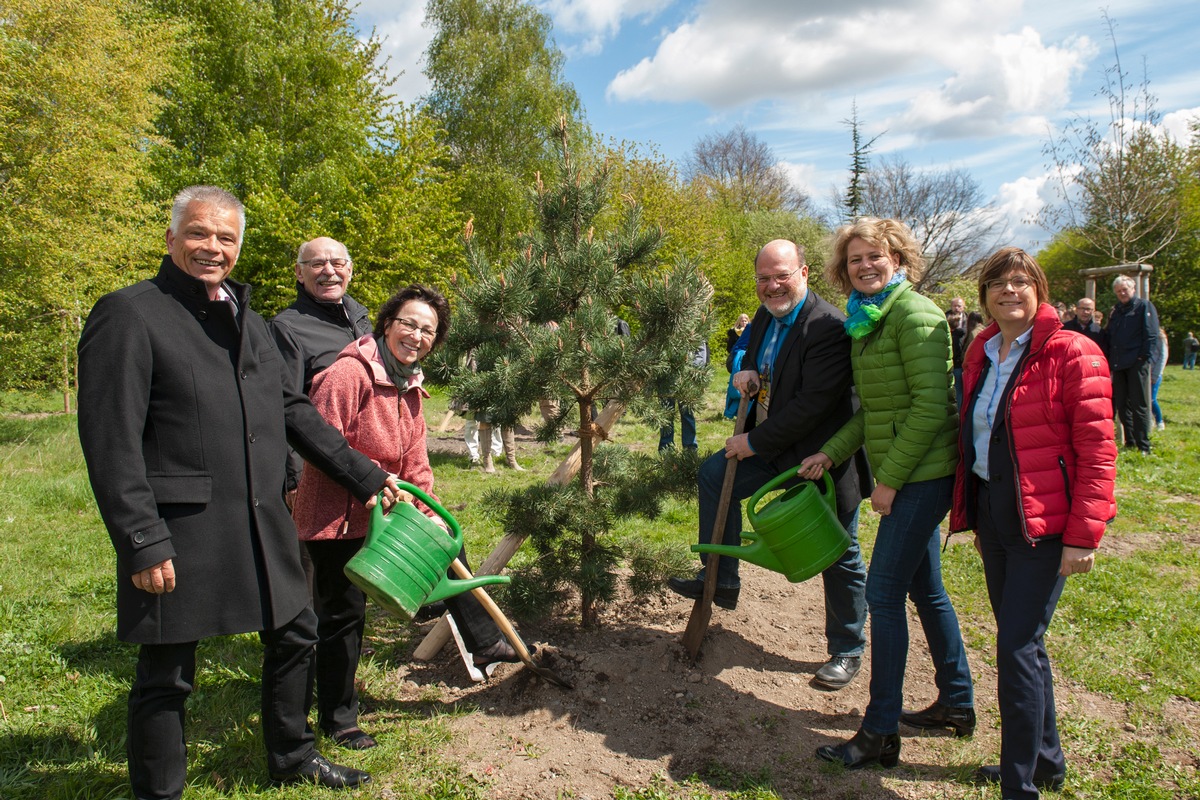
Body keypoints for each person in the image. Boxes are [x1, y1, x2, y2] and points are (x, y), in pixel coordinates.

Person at [77, 186, 401, 797]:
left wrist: (369, 477)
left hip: (261, 516)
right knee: (166, 674)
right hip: (181, 525)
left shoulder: (249, 324)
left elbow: (294, 412)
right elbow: (110, 439)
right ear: (171, 238)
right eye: (199, 234)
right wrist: (141, 539)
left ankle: (292, 755)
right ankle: (159, 792)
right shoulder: (130, 313)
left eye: (226, 238)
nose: (213, 248)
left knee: (297, 632)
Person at [291, 284, 519, 749]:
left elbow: (417, 463)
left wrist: (428, 511)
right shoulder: (348, 375)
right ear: (387, 323)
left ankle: (485, 641)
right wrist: (371, 484)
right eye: (409, 324)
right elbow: (321, 444)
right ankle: (339, 719)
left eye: (428, 331)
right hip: (336, 515)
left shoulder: (411, 386)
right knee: (342, 616)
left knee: (444, 547)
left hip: (388, 508)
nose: (416, 336)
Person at [801, 217, 974, 769]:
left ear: (898, 261)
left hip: (924, 476)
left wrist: (891, 480)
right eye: (854, 260)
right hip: (908, 471)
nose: (865, 266)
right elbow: (874, 410)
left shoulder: (915, 314)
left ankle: (879, 732)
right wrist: (832, 450)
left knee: (882, 594)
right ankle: (957, 702)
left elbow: (932, 408)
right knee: (927, 592)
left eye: (876, 256)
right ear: (843, 271)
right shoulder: (867, 320)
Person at [668, 239, 869, 691]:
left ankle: (847, 647)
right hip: (778, 445)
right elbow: (750, 355)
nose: (772, 286)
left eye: (781, 276)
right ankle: (721, 580)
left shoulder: (828, 327)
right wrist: (744, 369)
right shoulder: (765, 315)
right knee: (714, 476)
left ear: (804, 273)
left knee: (840, 551)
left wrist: (753, 442)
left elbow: (812, 406)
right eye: (763, 278)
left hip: (821, 456)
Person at [951, 247, 1116, 799]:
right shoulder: (983, 350)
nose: (1009, 291)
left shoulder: (1073, 352)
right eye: (997, 283)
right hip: (997, 516)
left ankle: (1018, 784)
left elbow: (1097, 453)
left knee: (1016, 647)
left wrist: (1082, 536)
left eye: (1021, 282)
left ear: (1039, 290)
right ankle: (1045, 762)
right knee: (1024, 641)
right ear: (985, 297)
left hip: (1046, 524)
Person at [271, 237, 373, 507]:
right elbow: (286, 407)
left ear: (349, 270)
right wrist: (294, 479)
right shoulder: (287, 328)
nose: (329, 271)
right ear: (298, 272)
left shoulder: (362, 320)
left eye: (337, 262)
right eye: (317, 263)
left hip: (369, 470)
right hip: (321, 470)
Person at [1106, 275, 1159, 454]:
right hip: (1119, 364)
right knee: (1122, 405)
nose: (1122, 293)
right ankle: (1129, 441)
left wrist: (1143, 358)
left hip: (1137, 363)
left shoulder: (1143, 306)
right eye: (1119, 291)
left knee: (1140, 404)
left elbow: (1151, 334)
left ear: (1133, 288)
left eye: (1125, 289)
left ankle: (1143, 445)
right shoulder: (1116, 311)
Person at [659, 342, 708, 451]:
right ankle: (666, 448)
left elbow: (700, 353)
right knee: (666, 413)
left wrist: (692, 371)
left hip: (687, 378)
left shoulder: (694, 327)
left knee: (688, 414)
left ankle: (690, 447)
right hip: (666, 377)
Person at [947, 309, 966, 410]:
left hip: (955, 366)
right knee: (958, 391)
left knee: (956, 390)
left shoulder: (952, 337)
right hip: (958, 366)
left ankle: (958, 410)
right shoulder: (962, 336)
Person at [1151, 326, 1168, 430]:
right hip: (1145, 373)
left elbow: (1163, 356)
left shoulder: (1160, 337)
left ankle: (1160, 421)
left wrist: (1156, 374)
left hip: (1155, 373)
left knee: (1152, 399)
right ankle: (1151, 420)